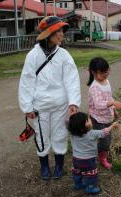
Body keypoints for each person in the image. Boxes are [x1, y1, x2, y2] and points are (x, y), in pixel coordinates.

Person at [18, 16, 81, 181]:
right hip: (40, 106)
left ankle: (59, 165)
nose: (61, 34)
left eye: (61, 31)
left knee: (60, 134)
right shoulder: (33, 55)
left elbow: (71, 79)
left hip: (61, 104)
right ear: (48, 33)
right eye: (57, 31)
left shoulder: (64, 55)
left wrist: (73, 102)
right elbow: (26, 81)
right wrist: (27, 107)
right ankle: (44, 166)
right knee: (41, 135)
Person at [68, 112, 119, 195]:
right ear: (82, 128)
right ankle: (90, 188)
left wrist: (72, 118)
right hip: (88, 160)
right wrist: (112, 126)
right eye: (88, 120)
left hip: (76, 159)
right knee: (90, 174)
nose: (90, 120)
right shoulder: (92, 133)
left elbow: (68, 123)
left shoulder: (73, 134)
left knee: (77, 172)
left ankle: (78, 184)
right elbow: (104, 132)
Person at [87, 57, 121, 169]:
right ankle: (102, 158)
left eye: (107, 71)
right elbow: (98, 105)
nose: (106, 74)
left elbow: (109, 96)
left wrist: (114, 110)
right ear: (93, 72)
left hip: (107, 117)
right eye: (102, 73)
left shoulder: (106, 82)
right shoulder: (95, 87)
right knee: (104, 139)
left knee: (107, 137)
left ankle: (101, 153)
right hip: (98, 118)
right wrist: (113, 103)